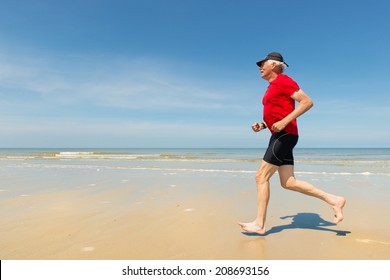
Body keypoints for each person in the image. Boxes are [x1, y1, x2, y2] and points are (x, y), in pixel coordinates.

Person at [238, 52, 346, 235]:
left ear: (274, 65)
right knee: (288, 182)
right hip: (281, 134)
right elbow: (278, 113)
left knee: (260, 177)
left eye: (262, 64)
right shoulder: (272, 87)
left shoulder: (283, 80)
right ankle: (334, 200)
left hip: (285, 135)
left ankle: (259, 224)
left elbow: (307, 102)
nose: (259, 67)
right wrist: (263, 125)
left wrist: (284, 122)